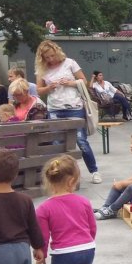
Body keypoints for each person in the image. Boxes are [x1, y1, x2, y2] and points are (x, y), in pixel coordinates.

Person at [34, 155, 97, 264]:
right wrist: (88, 242)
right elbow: (92, 227)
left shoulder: (44, 208)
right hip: (87, 249)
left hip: (64, 253)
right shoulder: (84, 201)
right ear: (73, 180)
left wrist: (41, 255)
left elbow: (43, 237)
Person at [35, 40, 101, 184]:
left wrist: (70, 83)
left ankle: (94, 170)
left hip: (74, 107)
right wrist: (48, 88)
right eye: (47, 58)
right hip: (54, 108)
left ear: (57, 52)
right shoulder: (42, 70)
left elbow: (83, 80)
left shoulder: (69, 62)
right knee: (57, 142)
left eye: (52, 56)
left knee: (81, 141)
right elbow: (39, 90)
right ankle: (61, 175)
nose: (51, 59)